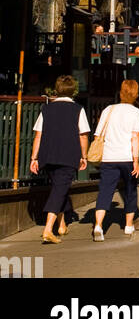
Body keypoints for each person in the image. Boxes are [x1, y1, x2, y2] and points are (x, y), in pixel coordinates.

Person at [29, 75, 90, 244]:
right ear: (73, 91)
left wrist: (34, 157)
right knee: (59, 190)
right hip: (68, 155)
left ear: (57, 89)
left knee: (59, 187)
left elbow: (38, 135)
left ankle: (61, 225)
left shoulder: (46, 109)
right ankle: (48, 229)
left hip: (47, 155)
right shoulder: (78, 109)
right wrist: (84, 156)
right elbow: (83, 135)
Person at [91, 79, 139, 240]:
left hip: (109, 156)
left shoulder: (109, 109)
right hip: (127, 157)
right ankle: (128, 225)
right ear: (135, 94)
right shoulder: (136, 112)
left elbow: (97, 134)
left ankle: (98, 226)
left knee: (105, 190)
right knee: (130, 190)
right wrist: (136, 161)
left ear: (121, 92)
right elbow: (135, 137)